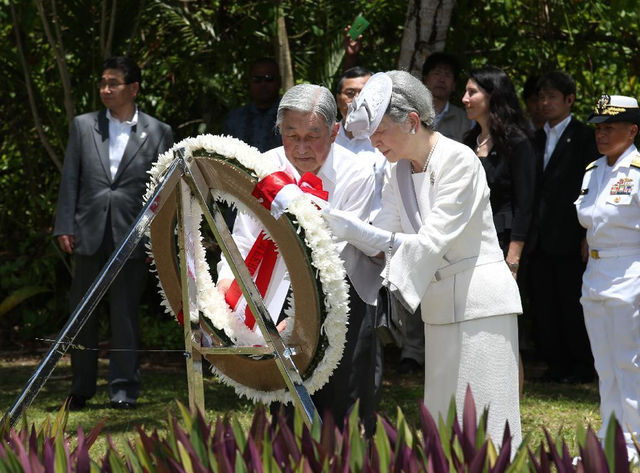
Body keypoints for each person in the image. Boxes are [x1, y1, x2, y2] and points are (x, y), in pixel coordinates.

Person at [323, 71, 523, 452]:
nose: (373, 140)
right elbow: (379, 242)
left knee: (487, 421)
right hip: (438, 308)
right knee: (444, 422)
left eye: (380, 130)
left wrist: (353, 230)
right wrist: (328, 230)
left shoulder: (459, 160)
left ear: (413, 121)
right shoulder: (397, 171)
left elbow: (430, 241)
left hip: (481, 303)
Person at [217, 84, 381, 432]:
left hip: (342, 295)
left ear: (335, 131)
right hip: (274, 293)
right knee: (283, 407)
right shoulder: (265, 166)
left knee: (342, 407)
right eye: (292, 135)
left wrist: (298, 324)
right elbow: (244, 240)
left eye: (313, 136)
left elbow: (336, 255)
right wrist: (230, 300)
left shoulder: (358, 173)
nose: (301, 148)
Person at [54, 56, 174, 410]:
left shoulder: (159, 131)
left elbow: (163, 189)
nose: (105, 89)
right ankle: (80, 388)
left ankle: (123, 389)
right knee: (82, 313)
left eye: (113, 83)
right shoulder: (83, 125)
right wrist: (65, 224)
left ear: (133, 88)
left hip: (132, 234)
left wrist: (158, 236)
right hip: (88, 231)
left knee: (125, 315)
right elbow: (70, 178)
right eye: (102, 83)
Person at [575, 94, 640, 463]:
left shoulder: (638, 171)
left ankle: (633, 442)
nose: (602, 133)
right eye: (599, 127)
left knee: (629, 360)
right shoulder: (593, 171)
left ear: (632, 131)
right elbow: (591, 223)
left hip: (631, 271)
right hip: (596, 273)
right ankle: (609, 436)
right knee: (604, 362)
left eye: (610, 126)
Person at [528, 71, 598, 383]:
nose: (545, 103)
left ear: (570, 100)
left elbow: (592, 185)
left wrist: (588, 233)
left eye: (552, 97)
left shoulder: (586, 137)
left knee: (573, 302)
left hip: (570, 234)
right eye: (541, 97)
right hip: (539, 235)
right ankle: (554, 363)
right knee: (544, 301)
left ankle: (582, 365)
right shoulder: (535, 136)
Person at [462, 66, 536, 272]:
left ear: (493, 95)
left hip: (501, 245)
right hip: (468, 244)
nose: (464, 99)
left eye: (472, 92)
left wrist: (512, 260)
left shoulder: (517, 141)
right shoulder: (469, 142)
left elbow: (524, 205)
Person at [223, 57, 282, 153]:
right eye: (256, 79)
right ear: (249, 81)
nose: (263, 84)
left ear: (279, 81)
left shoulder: (290, 117)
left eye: (269, 79)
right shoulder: (234, 118)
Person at [422, 52, 472, 143]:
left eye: (448, 75)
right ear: (424, 80)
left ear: (454, 85)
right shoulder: (412, 114)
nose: (441, 79)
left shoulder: (466, 121)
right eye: (437, 73)